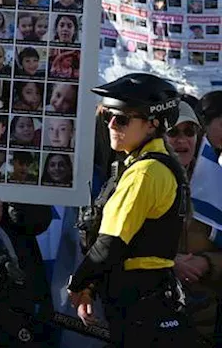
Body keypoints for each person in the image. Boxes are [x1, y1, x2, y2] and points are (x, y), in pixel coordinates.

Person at [68, 73, 191, 346]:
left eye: (122, 118)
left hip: (140, 308)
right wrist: (89, 287)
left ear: (152, 125)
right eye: (109, 116)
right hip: (146, 302)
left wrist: (77, 284)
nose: (111, 124)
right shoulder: (144, 164)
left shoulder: (146, 172)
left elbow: (111, 243)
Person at [168, 97, 222, 342]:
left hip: (204, 323)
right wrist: (168, 264)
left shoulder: (217, 186)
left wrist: (206, 264)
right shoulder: (134, 183)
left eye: (189, 131)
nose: (182, 140)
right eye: (173, 131)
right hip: (148, 318)